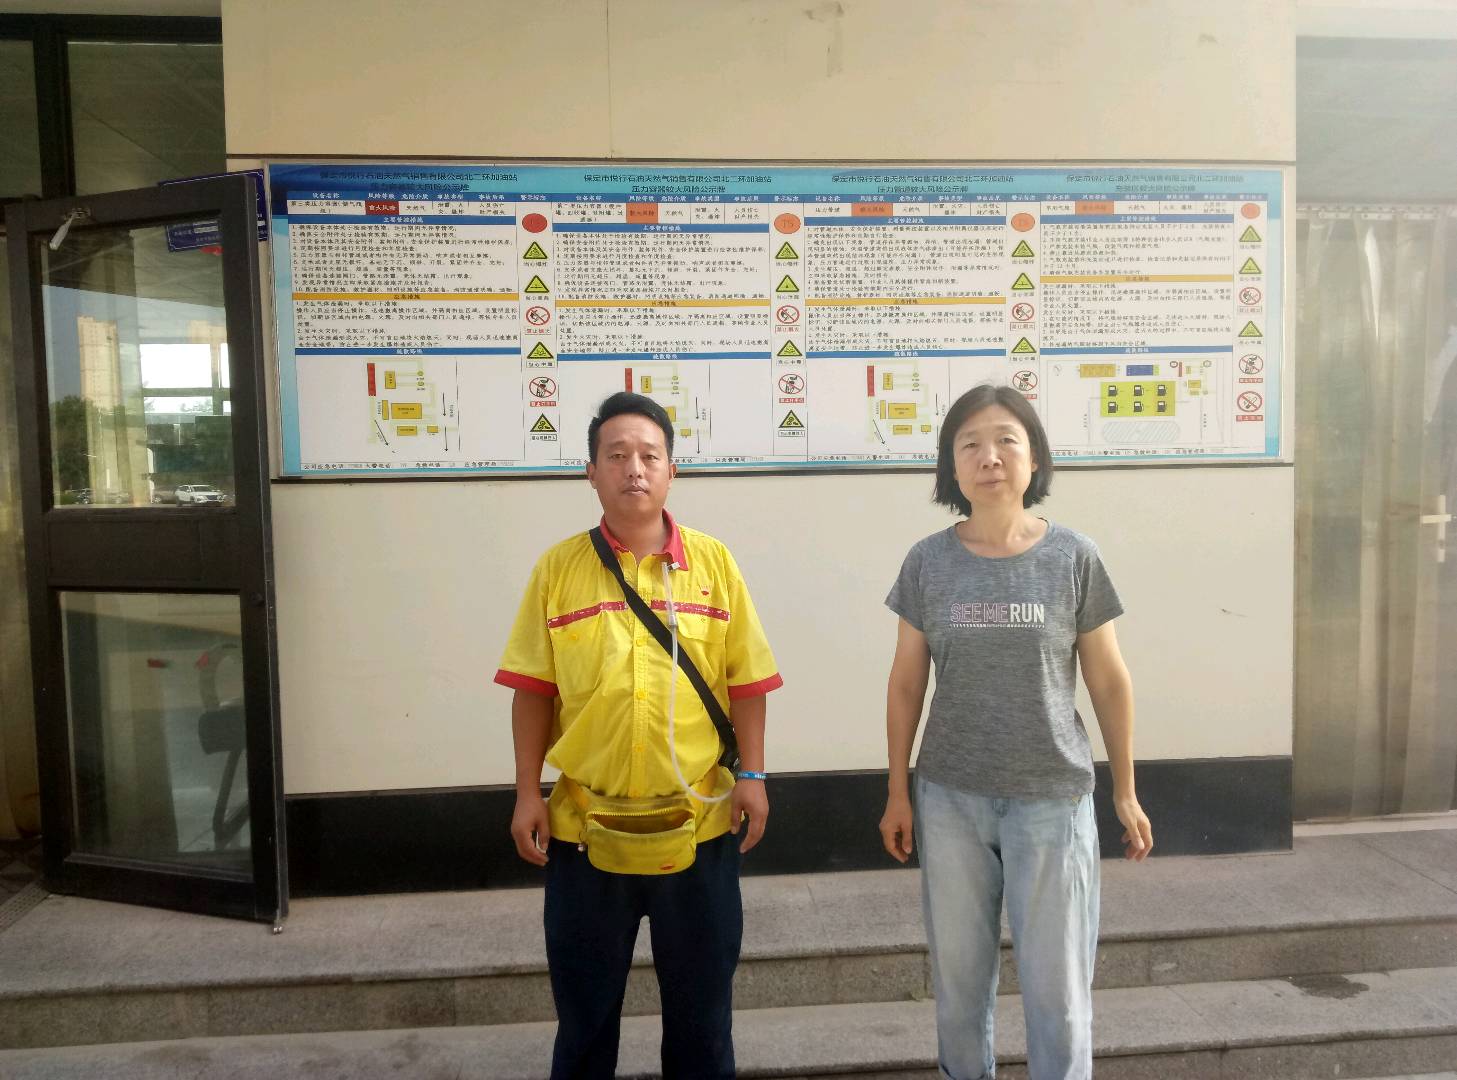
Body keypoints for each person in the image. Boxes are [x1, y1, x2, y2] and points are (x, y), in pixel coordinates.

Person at [495, 391, 783, 1080]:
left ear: (671, 471)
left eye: (650, 455)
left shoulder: (713, 564)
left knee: (702, 1021)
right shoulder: (558, 570)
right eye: (617, 455)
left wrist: (752, 776)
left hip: (700, 826)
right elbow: (534, 690)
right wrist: (527, 793)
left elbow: (747, 682)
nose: (634, 468)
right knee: (585, 1020)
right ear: (590, 472)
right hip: (584, 831)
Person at [878, 383, 1153, 1080]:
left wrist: (1124, 790)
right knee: (959, 989)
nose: (989, 457)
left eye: (1007, 440)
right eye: (969, 444)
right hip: (950, 800)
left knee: (1058, 995)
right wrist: (898, 792)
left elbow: (1109, 680)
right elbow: (906, 683)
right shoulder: (926, 561)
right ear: (951, 466)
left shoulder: (1072, 557)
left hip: (1051, 800)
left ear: (1034, 459)